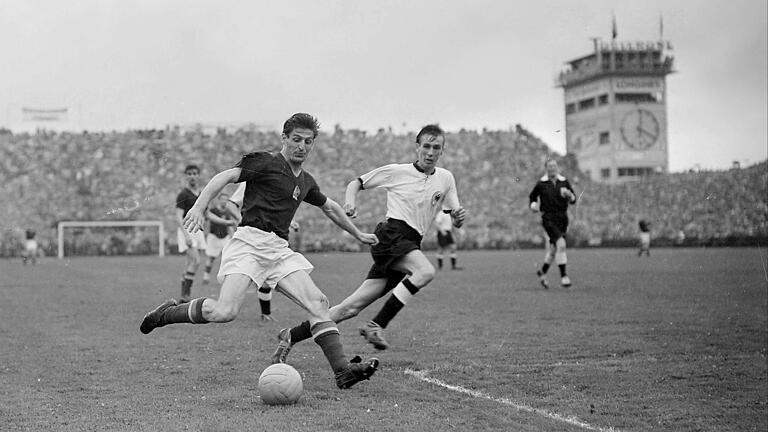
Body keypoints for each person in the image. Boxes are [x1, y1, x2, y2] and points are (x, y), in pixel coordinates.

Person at [140, 113, 380, 389]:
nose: (302, 146)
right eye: (296, 140)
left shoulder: (306, 181)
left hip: (279, 249)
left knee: (319, 304)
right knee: (224, 311)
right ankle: (168, 313)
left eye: (308, 141)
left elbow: (330, 207)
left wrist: (358, 233)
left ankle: (342, 371)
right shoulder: (265, 162)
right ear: (285, 139)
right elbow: (226, 176)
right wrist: (198, 206)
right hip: (249, 245)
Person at [272, 124, 465, 361]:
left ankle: (291, 335)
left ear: (442, 151)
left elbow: (455, 217)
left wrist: (457, 218)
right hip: (392, 236)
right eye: (426, 146)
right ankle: (377, 325)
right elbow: (357, 183)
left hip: (409, 244)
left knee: (348, 309)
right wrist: (350, 202)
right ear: (417, 147)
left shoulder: (446, 179)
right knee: (425, 271)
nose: (430, 152)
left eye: (436, 147)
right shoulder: (397, 171)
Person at [227, 182, 275, 322]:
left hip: (270, 238)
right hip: (250, 240)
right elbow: (231, 205)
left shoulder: (280, 178)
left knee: (267, 278)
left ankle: (265, 314)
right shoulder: (252, 178)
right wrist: (244, 222)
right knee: (224, 309)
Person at [529, 159, 577, 289]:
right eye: (549, 166)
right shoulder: (541, 183)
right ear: (546, 168)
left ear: (557, 168)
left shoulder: (564, 181)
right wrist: (533, 206)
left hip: (562, 218)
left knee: (554, 248)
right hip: (548, 218)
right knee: (561, 243)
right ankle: (564, 276)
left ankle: (542, 272)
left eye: (554, 166)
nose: (552, 168)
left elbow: (574, 200)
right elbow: (532, 197)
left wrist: (569, 195)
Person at [176, 164, 206, 303]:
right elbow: (178, 217)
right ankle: (185, 295)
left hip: (197, 231)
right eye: (189, 173)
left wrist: (226, 222)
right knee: (196, 261)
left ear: (198, 175)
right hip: (187, 231)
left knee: (189, 263)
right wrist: (186, 236)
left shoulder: (201, 194)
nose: (192, 176)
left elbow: (206, 213)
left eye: (195, 173)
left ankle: (183, 295)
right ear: (186, 176)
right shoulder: (183, 194)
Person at [202, 192, 239, 285]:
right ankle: (206, 276)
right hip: (214, 236)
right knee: (211, 258)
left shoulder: (227, 211)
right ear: (219, 200)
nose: (224, 201)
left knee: (227, 258)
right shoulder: (213, 211)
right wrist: (205, 234)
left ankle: (226, 278)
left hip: (225, 237)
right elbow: (206, 222)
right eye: (222, 199)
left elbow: (231, 224)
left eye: (226, 200)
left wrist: (233, 234)